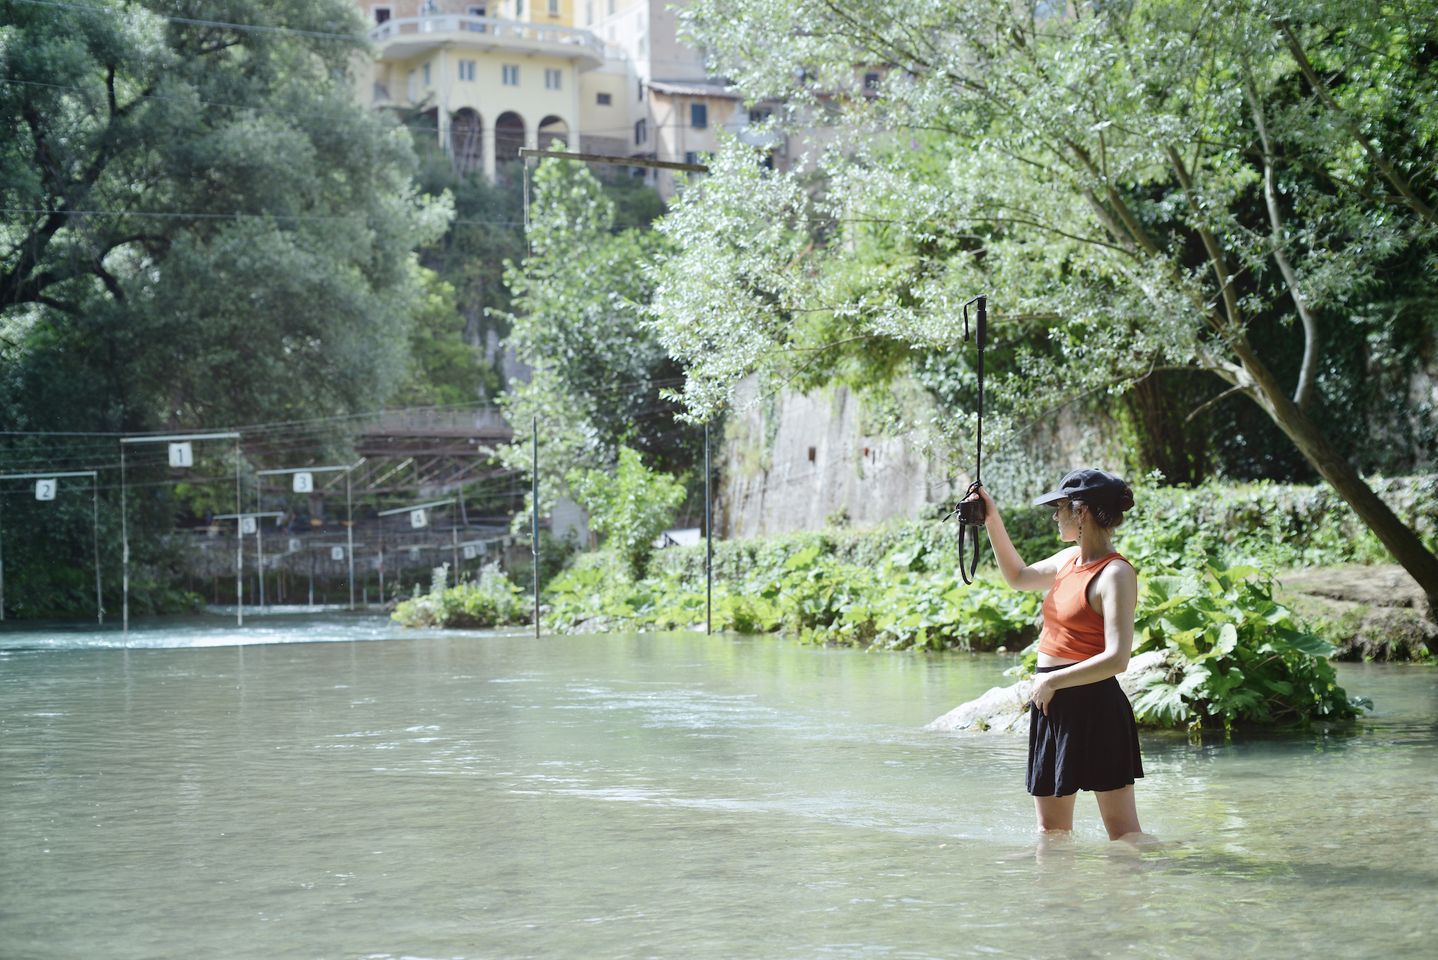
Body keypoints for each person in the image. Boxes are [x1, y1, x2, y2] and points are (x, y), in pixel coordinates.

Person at [964, 468, 1147, 843]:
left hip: (1096, 706)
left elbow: (1117, 659)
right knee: (1051, 833)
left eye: (1059, 507)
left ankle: (1135, 895)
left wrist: (1052, 680)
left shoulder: (1115, 574)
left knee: (1124, 835)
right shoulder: (1067, 559)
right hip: (1052, 705)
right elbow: (1017, 576)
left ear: (1080, 512)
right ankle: (1061, 903)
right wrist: (991, 518)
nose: (1054, 516)